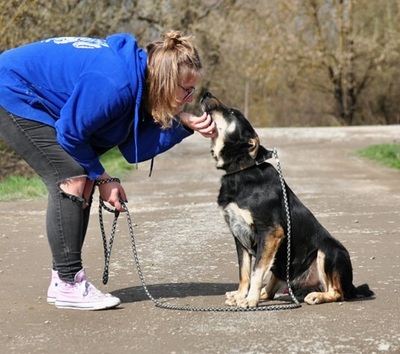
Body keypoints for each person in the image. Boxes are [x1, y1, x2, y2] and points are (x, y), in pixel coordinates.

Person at [0, 31, 217, 311]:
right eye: (186, 90)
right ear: (165, 82)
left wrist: (184, 123)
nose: (189, 98)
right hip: (11, 89)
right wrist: (104, 178)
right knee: (72, 176)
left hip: (23, 87)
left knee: (82, 175)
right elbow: (71, 134)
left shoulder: (139, 79)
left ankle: (63, 280)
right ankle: (69, 284)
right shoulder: (115, 83)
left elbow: (133, 147)